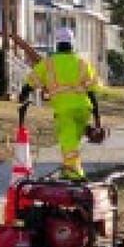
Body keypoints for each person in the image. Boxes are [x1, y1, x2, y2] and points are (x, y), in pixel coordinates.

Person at [18, 25, 103, 182]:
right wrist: (97, 119)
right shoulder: (83, 63)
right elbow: (92, 92)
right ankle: (68, 170)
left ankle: (75, 175)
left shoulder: (49, 63)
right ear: (72, 43)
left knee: (68, 143)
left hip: (65, 110)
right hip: (84, 110)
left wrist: (23, 95)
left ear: (57, 43)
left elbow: (31, 82)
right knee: (71, 144)